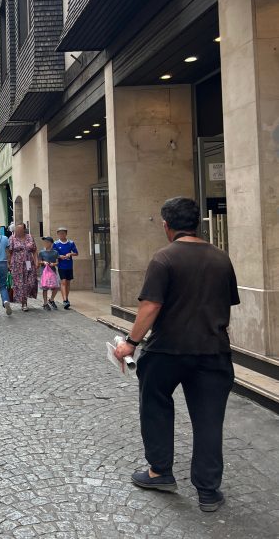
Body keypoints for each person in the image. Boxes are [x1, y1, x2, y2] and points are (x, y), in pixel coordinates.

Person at [115, 197, 239, 513]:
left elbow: (150, 306)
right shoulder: (221, 258)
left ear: (166, 226)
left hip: (166, 351)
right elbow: (227, 304)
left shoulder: (164, 259)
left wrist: (130, 342)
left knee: (156, 406)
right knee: (209, 421)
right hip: (212, 353)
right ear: (196, 223)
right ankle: (209, 491)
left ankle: (160, 471)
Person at [7, 222, 38, 312]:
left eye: (20, 229)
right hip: (17, 264)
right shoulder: (12, 238)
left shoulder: (30, 237)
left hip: (29, 263)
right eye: (17, 229)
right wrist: (9, 264)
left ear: (24, 229)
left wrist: (36, 261)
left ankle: (25, 298)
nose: (18, 231)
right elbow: (9, 252)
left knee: (31, 282)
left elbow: (35, 250)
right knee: (20, 284)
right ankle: (24, 303)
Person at [53, 227, 78, 309]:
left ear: (66, 234)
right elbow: (53, 254)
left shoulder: (71, 243)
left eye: (63, 233)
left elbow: (76, 253)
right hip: (61, 265)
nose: (61, 235)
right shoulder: (56, 244)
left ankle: (66, 298)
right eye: (60, 233)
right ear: (58, 234)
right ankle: (65, 300)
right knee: (63, 282)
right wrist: (59, 256)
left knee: (68, 282)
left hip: (69, 265)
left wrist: (70, 254)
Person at [38, 237, 60, 311]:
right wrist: (43, 262)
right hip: (44, 272)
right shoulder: (41, 252)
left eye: (47, 242)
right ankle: (45, 303)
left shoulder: (55, 252)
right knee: (45, 288)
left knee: (56, 287)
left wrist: (54, 264)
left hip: (52, 272)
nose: (45, 243)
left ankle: (51, 299)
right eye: (45, 242)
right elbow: (39, 261)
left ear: (51, 243)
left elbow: (57, 262)